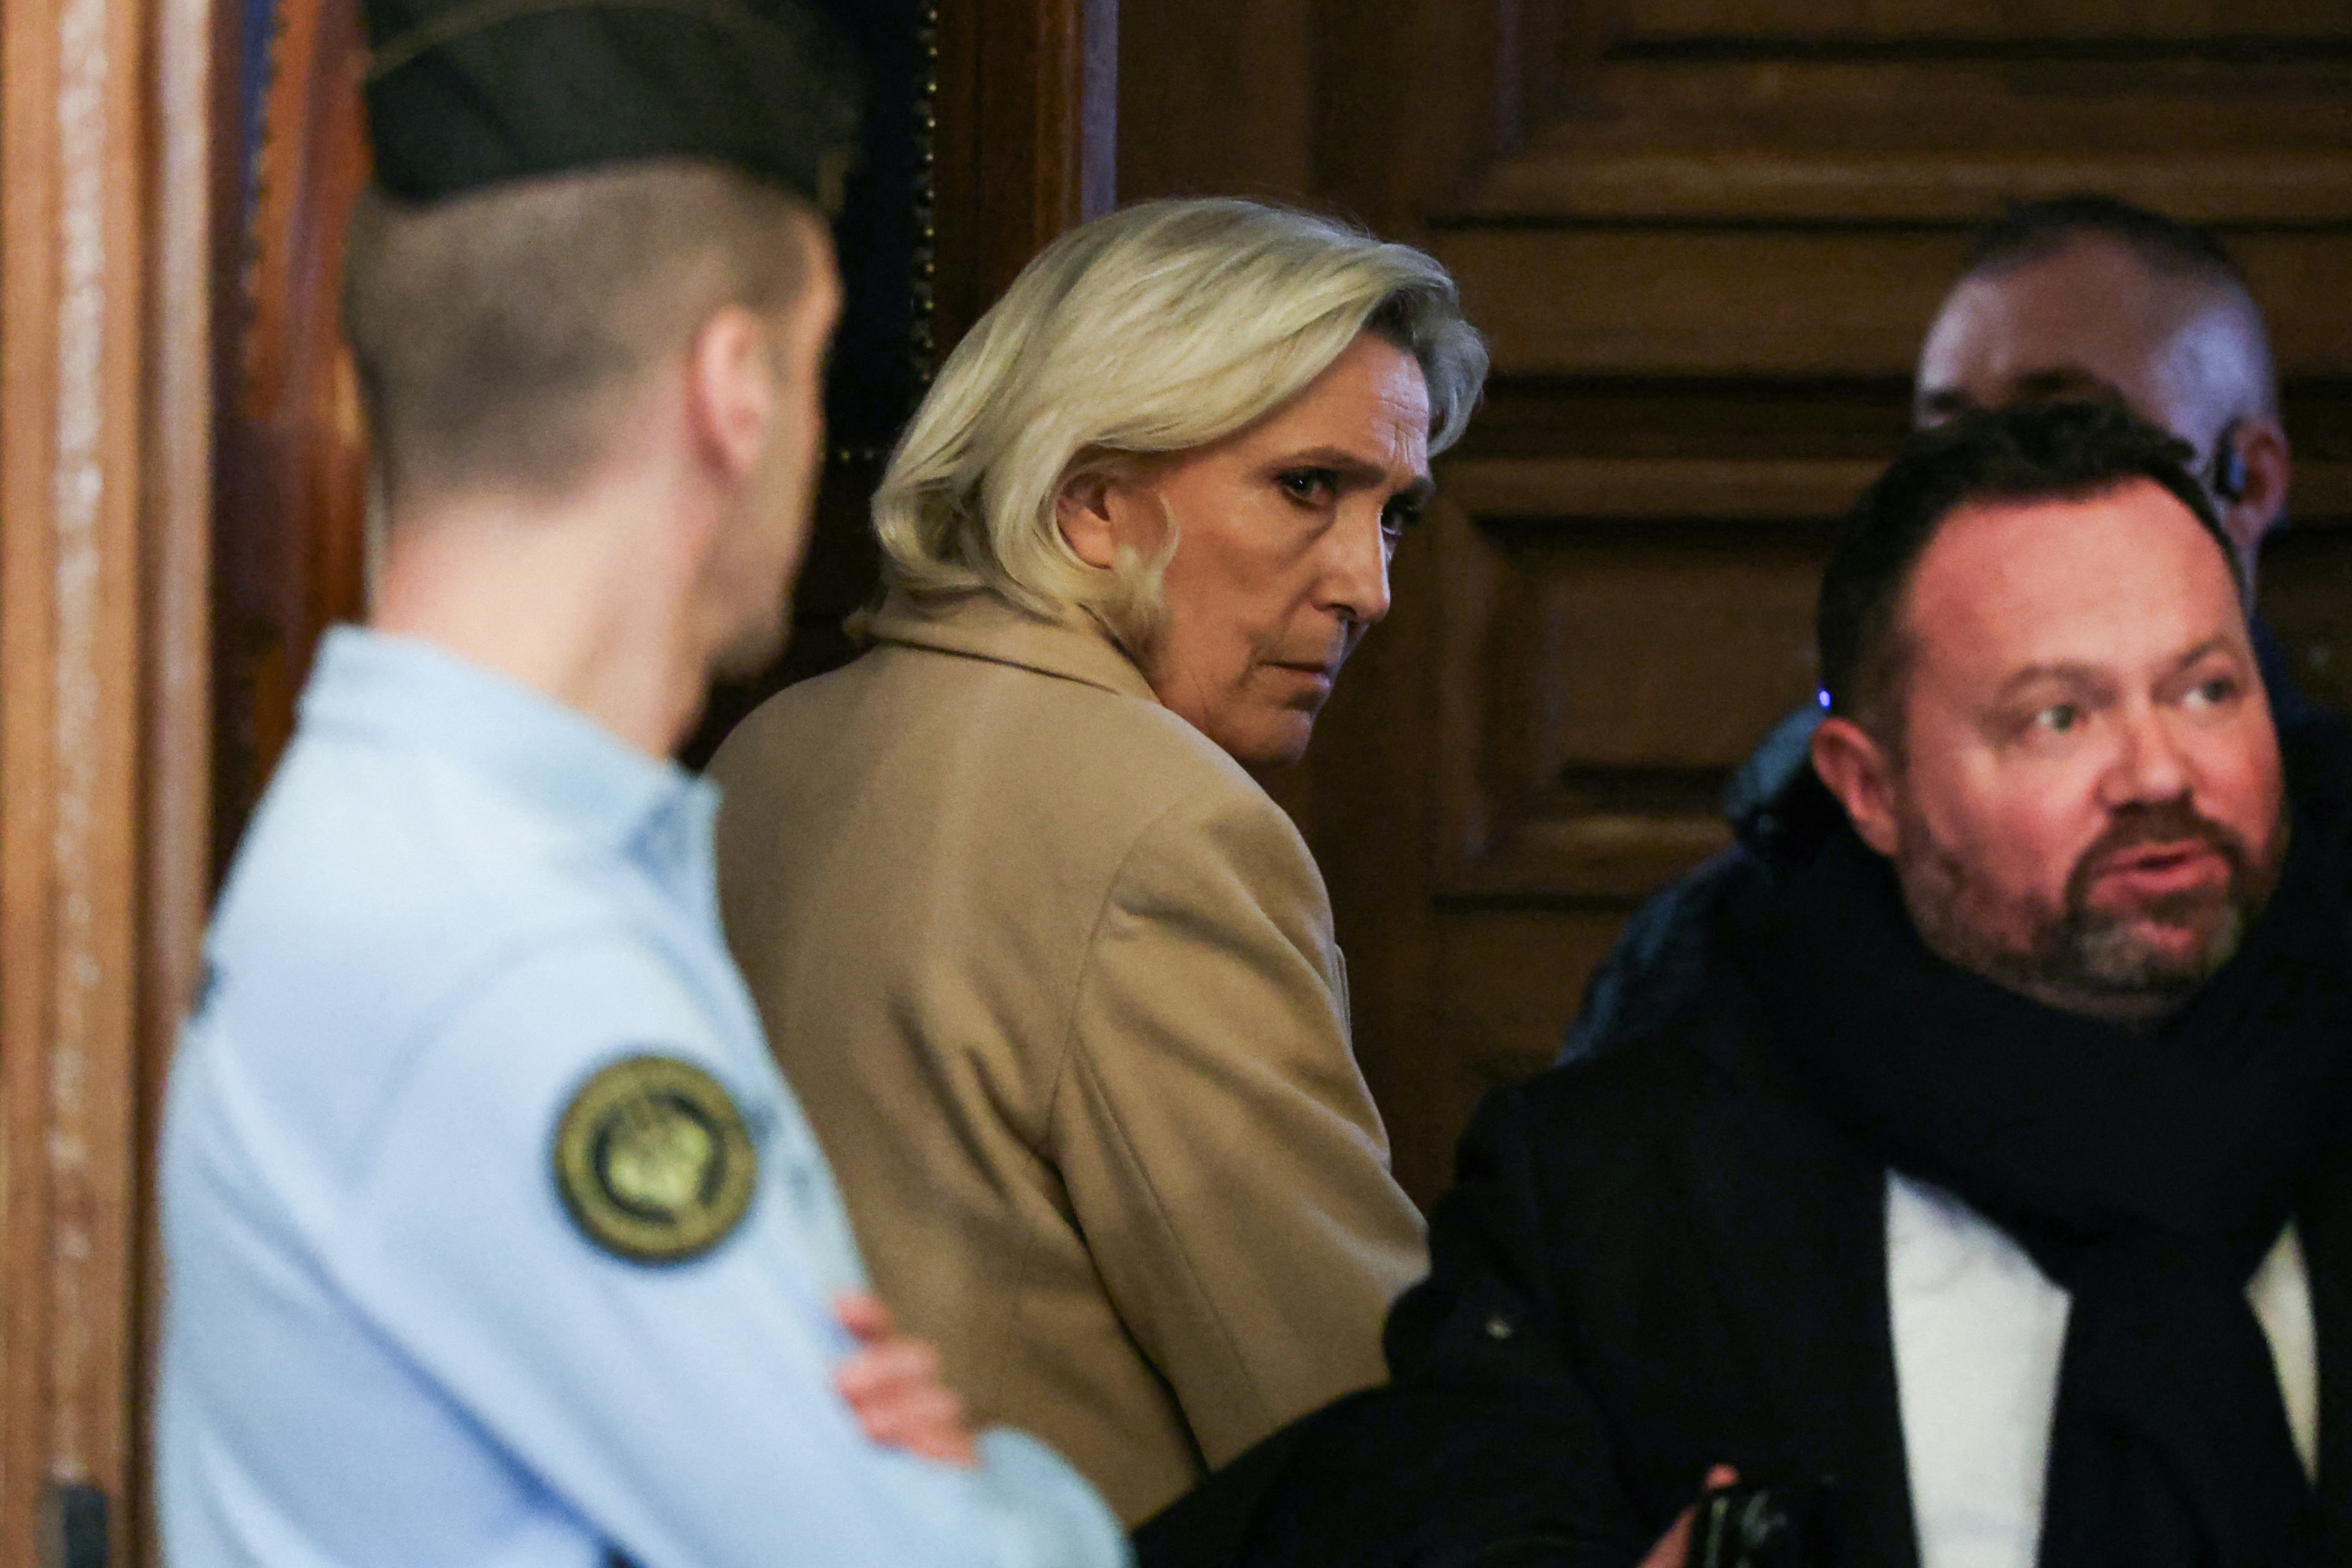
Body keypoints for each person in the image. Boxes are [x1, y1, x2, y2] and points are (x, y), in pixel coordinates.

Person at [157, 3, 1128, 1564]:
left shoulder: (444, 851)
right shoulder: (507, 948)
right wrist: (1010, 1495)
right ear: (734, 388)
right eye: (816, 374)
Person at [1146, 399, 2352, 1568]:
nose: (2156, 772)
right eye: (2056, 717)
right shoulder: (1611, 1198)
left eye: (2206, 690)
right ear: (1868, 789)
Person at [707, 198, 1488, 1525]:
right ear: (1088, 508)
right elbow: (1363, 1426)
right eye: (1307, 488)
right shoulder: (1165, 828)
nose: (1367, 586)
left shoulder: (768, 752)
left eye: (1392, 513)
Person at [1566, 194, 2302, 1064]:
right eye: (1947, 437)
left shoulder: (2319, 896)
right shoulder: (1733, 938)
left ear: (2247, 483)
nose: (1990, 485)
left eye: (2064, 429)